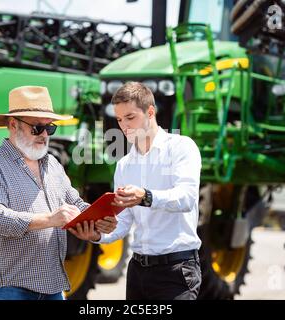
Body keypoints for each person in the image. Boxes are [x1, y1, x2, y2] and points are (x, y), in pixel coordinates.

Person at [0, 86, 116, 300]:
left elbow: (75, 203)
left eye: (50, 128)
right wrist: (49, 219)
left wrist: (97, 223)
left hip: (52, 286)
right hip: (10, 288)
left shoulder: (53, 164)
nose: (45, 135)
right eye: (38, 128)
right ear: (13, 125)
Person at [71, 82, 202, 300]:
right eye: (120, 120)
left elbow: (186, 198)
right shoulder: (124, 165)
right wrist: (97, 234)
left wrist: (146, 196)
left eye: (130, 118)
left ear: (150, 112)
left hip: (177, 270)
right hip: (138, 272)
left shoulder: (181, 147)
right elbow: (123, 222)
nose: (124, 126)